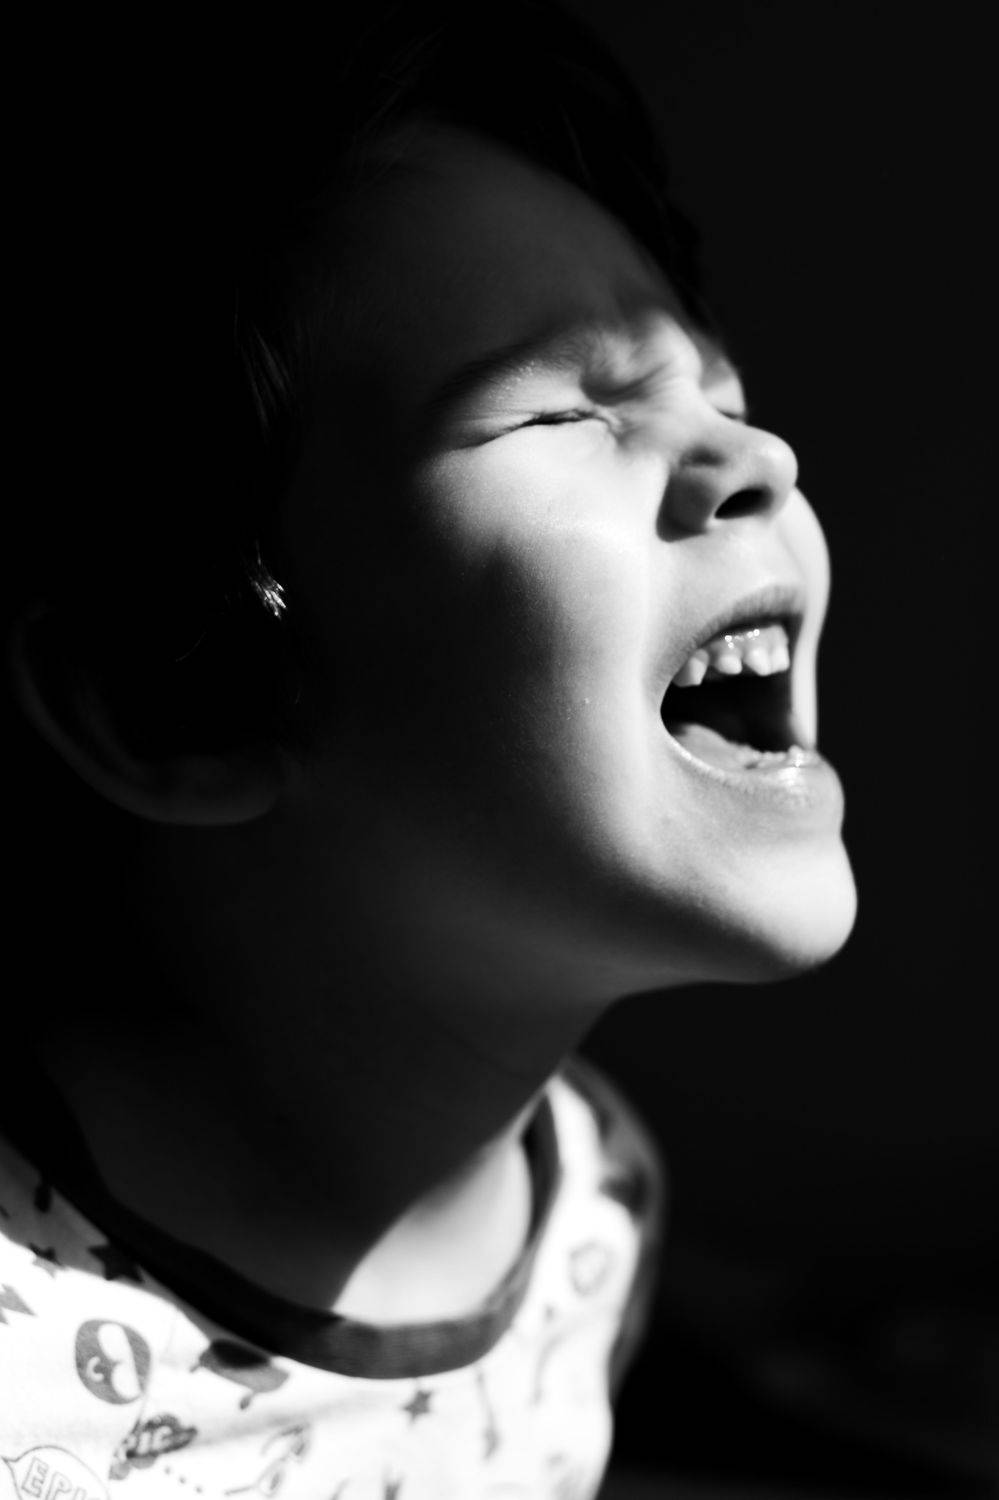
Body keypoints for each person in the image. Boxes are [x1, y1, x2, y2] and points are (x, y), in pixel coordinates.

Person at [0, 3, 856, 1495]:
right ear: (174, 702)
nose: (761, 459)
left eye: (721, 395)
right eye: (567, 408)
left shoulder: (595, 1206)